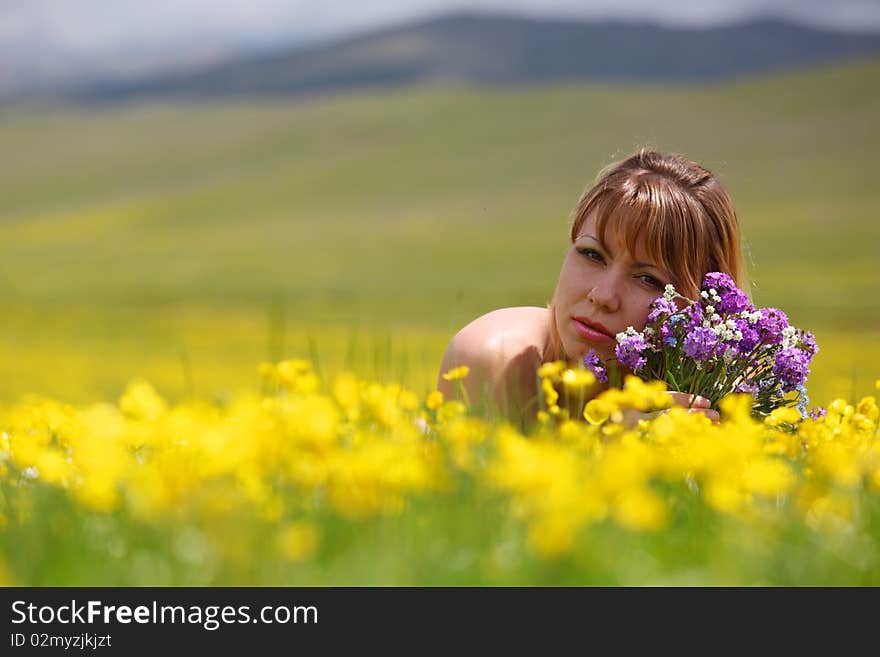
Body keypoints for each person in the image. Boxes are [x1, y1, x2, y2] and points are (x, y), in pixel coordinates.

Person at [436, 148, 750, 429]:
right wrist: (608, 453)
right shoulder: (497, 357)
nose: (603, 296)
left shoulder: (725, 401)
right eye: (591, 254)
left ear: (705, 308)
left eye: (648, 279)